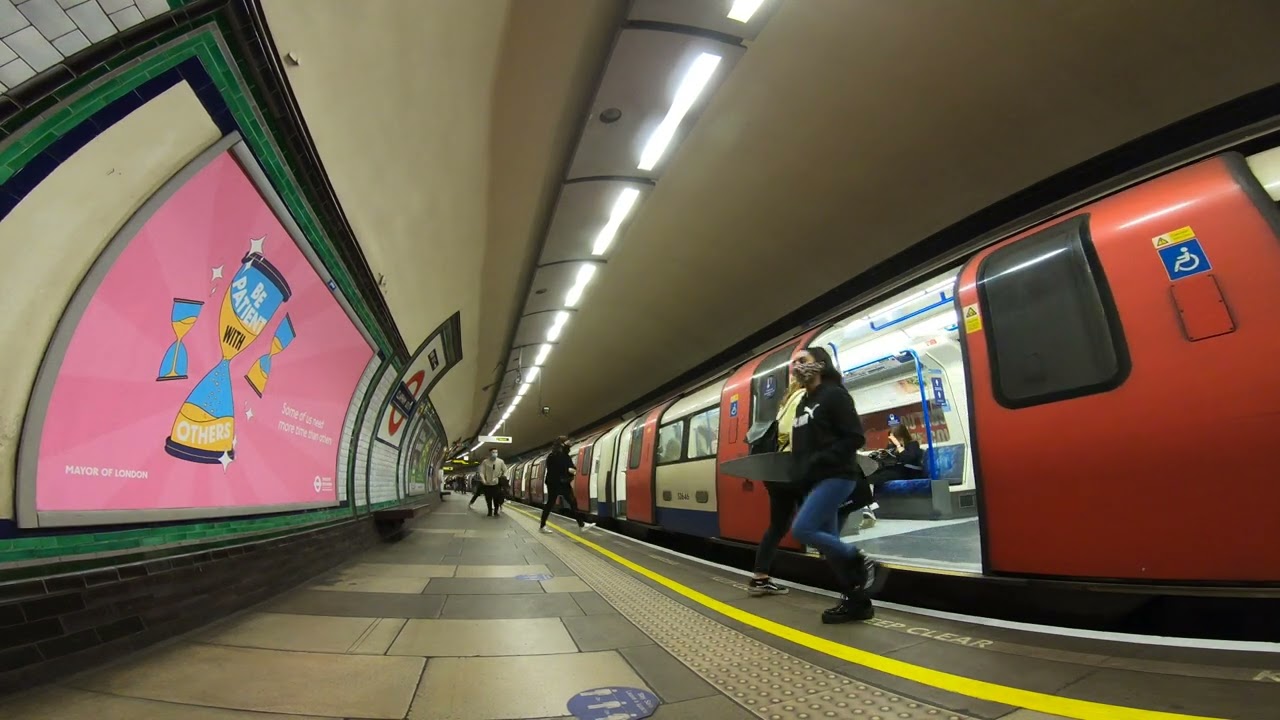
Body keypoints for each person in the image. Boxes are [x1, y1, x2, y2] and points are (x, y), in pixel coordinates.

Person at [787, 346, 878, 623]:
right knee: (828, 547)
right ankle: (858, 603)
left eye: (803, 360)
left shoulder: (834, 395)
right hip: (814, 480)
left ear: (820, 364)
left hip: (838, 475)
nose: (797, 366)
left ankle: (857, 558)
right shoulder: (803, 402)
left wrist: (819, 460)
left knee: (803, 529)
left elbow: (854, 437)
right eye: (794, 363)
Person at [748, 376, 807, 597]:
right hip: (791, 470)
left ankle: (760, 577)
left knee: (778, 526)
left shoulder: (785, 402)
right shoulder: (802, 397)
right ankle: (849, 574)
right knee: (818, 517)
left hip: (776, 472)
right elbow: (795, 432)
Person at [540, 436, 595, 533]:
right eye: (567, 442)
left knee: (572, 502)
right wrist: (567, 470)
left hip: (563, 482)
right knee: (550, 504)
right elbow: (555, 470)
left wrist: (572, 470)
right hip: (554, 483)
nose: (569, 444)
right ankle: (542, 526)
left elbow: (571, 467)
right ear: (561, 444)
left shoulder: (565, 456)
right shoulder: (552, 456)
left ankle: (581, 525)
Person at [477, 450, 507, 517]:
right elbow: (481, 472)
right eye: (493, 452)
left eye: (496, 452)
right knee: (488, 499)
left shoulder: (500, 461)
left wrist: (501, 476)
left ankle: (496, 511)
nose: (495, 453)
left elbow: (505, 470)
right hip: (487, 484)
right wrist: (483, 480)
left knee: (496, 498)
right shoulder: (485, 462)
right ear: (490, 453)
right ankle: (490, 511)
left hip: (496, 484)